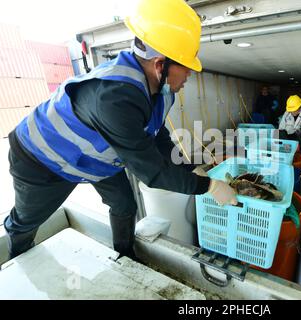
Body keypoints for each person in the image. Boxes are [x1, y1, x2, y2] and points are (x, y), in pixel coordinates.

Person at [4, 0, 237, 261]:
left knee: (124, 204)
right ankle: (17, 261)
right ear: (161, 64)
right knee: (26, 220)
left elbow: (159, 139)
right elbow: (153, 173)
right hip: (42, 160)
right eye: (186, 68)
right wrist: (210, 186)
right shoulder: (114, 98)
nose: (189, 76)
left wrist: (188, 167)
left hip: (96, 158)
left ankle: (125, 257)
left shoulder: (160, 91)